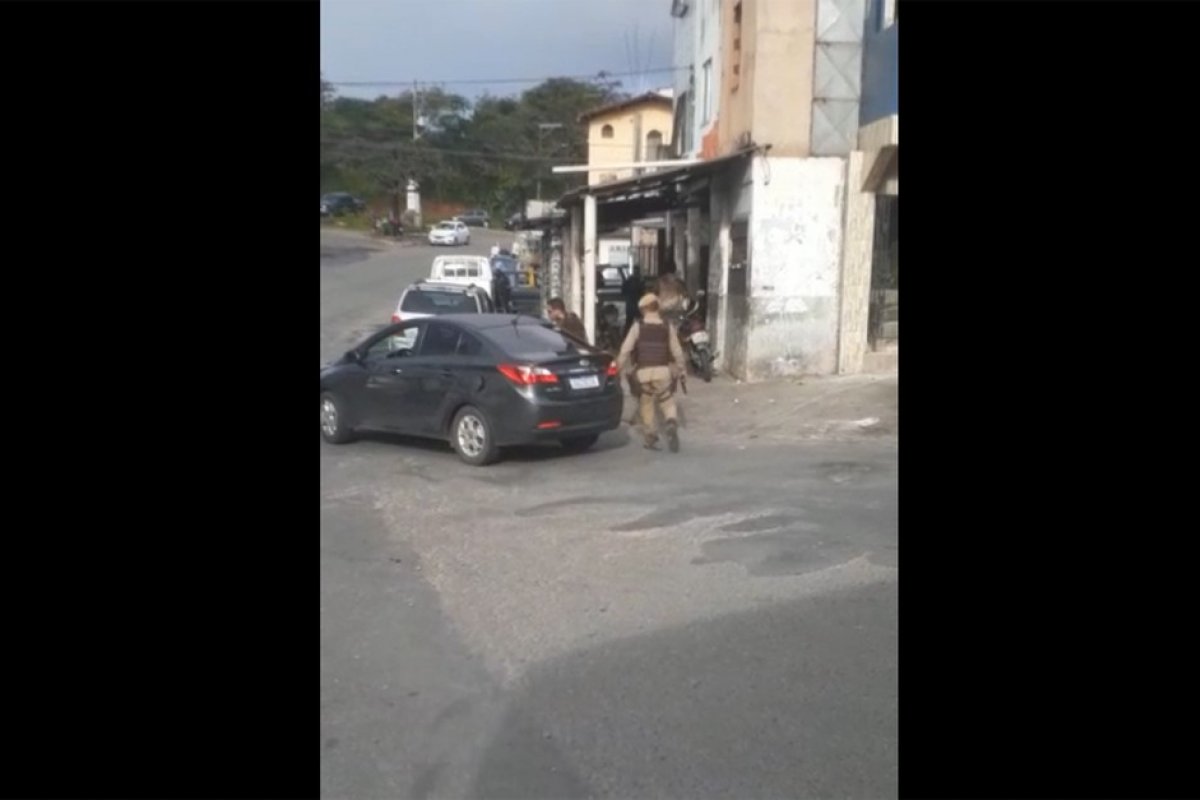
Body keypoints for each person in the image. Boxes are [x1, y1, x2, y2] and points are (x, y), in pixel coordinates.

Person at [617, 293, 686, 452]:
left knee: (646, 403)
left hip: (643, 373)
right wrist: (681, 369)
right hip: (663, 372)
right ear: (657, 308)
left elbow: (625, 350)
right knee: (667, 401)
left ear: (643, 309)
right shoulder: (667, 326)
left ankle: (651, 436)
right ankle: (670, 422)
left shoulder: (637, 326)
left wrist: (617, 368)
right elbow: (677, 351)